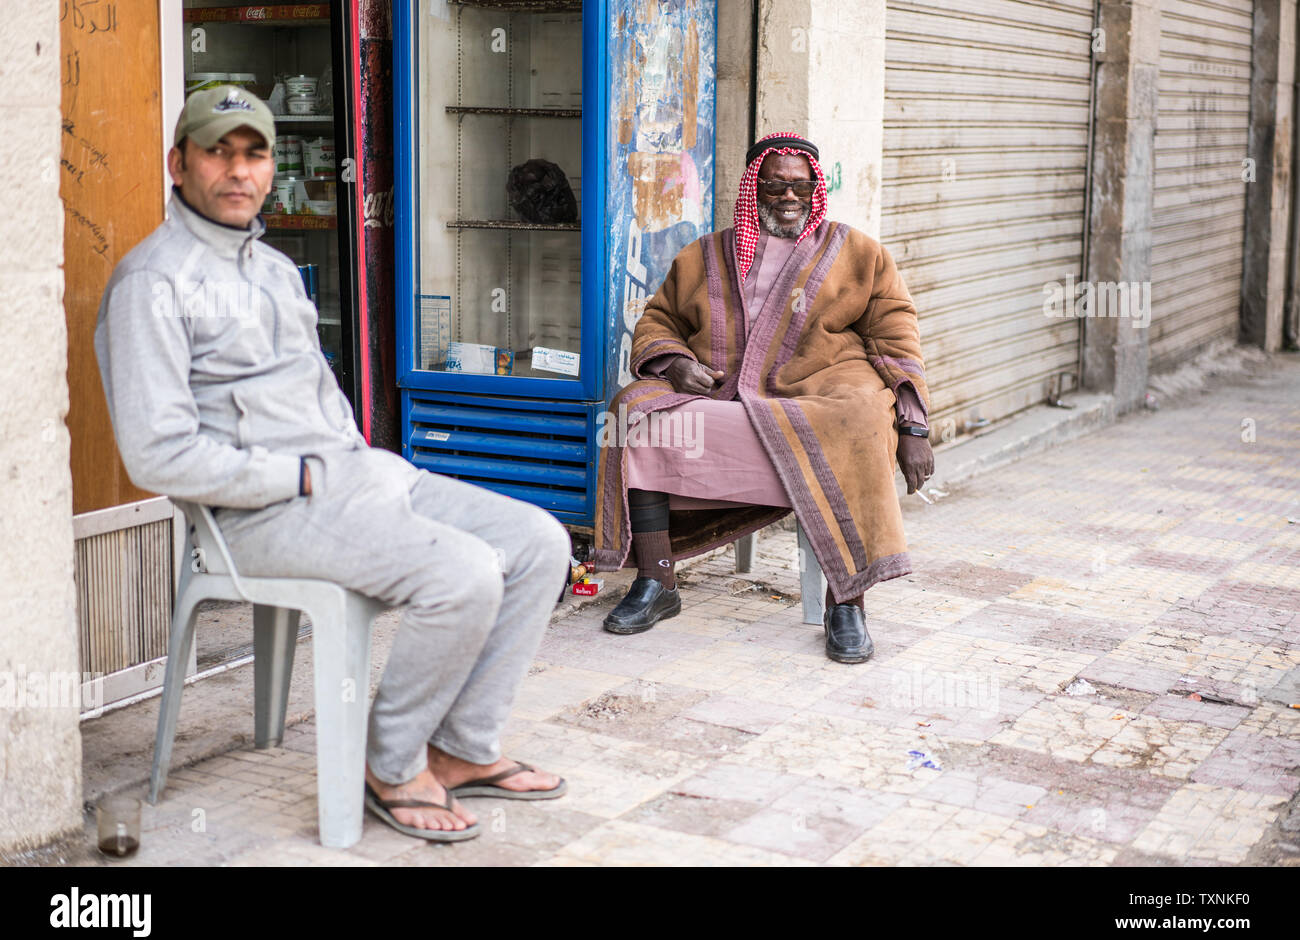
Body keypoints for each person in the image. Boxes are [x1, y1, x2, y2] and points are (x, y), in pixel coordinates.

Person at [94, 86, 569, 842]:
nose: (239, 171)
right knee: (464, 573)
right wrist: (298, 478)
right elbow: (158, 452)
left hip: (352, 478)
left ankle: (461, 748)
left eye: (254, 153)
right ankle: (389, 762)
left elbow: (317, 393)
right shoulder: (152, 283)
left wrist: (356, 463)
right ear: (177, 163)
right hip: (260, 515)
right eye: (217, 151)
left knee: (541, 542)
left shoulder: (275, 269)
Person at [593, 132, 934, 664]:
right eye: (775, 185)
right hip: (723, 389)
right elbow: (660, 319)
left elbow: (895, 334)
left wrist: (913, 427)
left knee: (861, 418)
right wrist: (676, 364)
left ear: (815, 188)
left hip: (819, 388)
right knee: (635, 412)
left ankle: (847, 601)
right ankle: (657, 580)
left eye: (800, 186)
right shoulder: (704, 254)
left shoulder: (860, 253)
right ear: (756, 189)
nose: (788, 197)